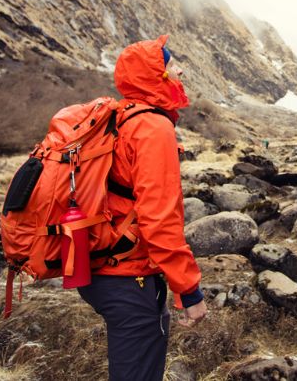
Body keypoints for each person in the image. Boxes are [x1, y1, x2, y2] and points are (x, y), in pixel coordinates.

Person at [77, 35, 207, 380]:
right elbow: (160, 220)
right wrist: (189, 291)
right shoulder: (152, 128)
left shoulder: (121, 118)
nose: (180, 69)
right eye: (171, 63)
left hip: (98, 266)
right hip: (124, 275)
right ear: (155, 75)